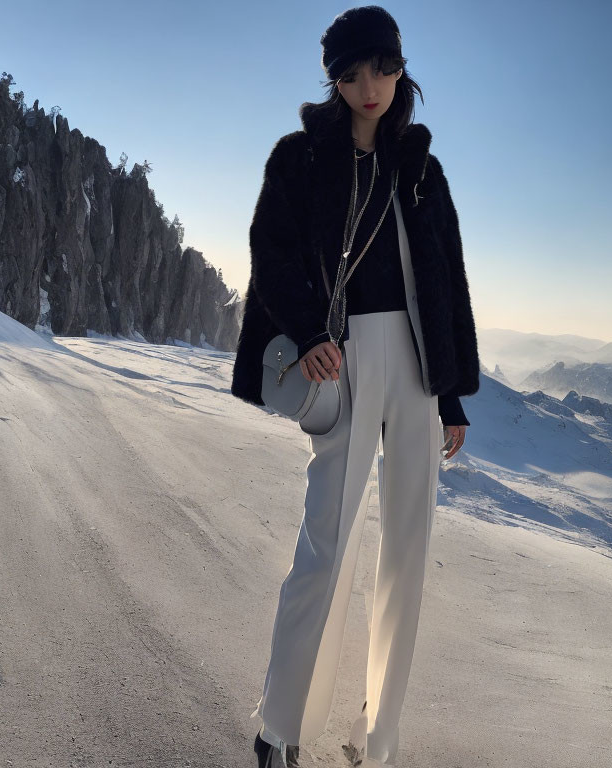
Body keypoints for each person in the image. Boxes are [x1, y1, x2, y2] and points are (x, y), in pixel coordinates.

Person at [230, 6, 480, 766]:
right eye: (351, 72)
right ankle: (280, 728)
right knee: (325, 548)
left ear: (401, 70)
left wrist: (451, 391)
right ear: (332, 79)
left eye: (382, 67)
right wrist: (308, 332)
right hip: (340, 358)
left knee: (408, 549)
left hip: (414, 365)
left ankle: (378, 741)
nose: (369, 86)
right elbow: (269, 252)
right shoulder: (299, 158)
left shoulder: (422, 168)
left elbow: (447, 284)